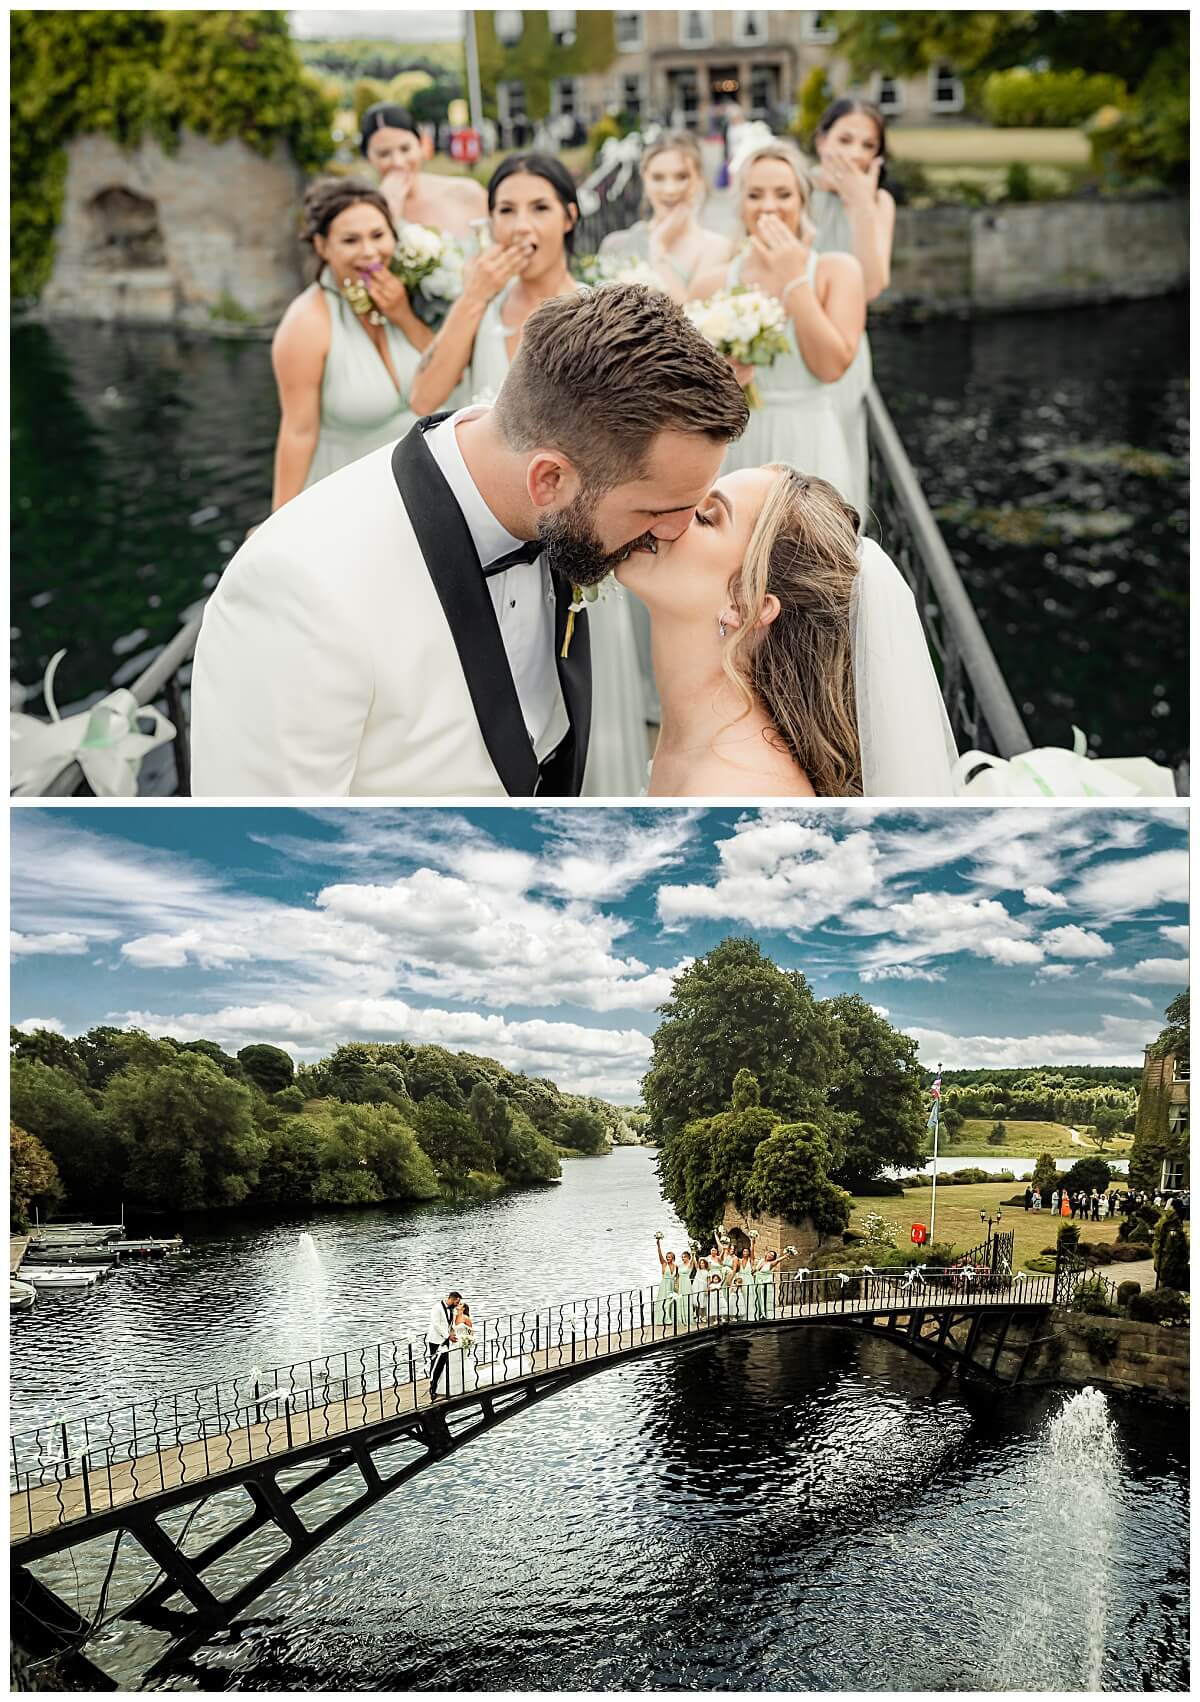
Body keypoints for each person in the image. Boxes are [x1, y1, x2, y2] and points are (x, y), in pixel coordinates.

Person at [190, 285, 748, 797]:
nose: (676, 532)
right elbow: (266, 861)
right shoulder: (297, 591)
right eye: (656, 510)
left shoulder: (550, 497)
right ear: (549, 480)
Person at [409, 153, 650, 797]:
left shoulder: (600, 311)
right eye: (506, 210)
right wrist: (472, 296)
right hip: (493, 535)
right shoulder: (482, 312)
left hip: (581, 526)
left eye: (539, 208)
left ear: (570, 217)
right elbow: (424, 394)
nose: (521, 224)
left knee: (586, 683)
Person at [616, 465, 959, 796]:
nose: (673, 512)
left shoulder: (738, 788)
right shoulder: (697, 736)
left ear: (747, 604)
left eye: (707, 517)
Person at [689, 138, 866, 518]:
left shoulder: (839, 271)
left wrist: (793, 279)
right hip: (738, 446)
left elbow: (831, 367)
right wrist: (725, 378)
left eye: (783, 194)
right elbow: (687, 390)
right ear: (741, 204)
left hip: (811, 440)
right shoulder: (709, 284)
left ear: (803, 201)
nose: (769, 206)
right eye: (755, 195)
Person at [268, 179, 434, 513]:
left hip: (418, 498)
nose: (369, 252)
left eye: (377, 235)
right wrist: (277, 522)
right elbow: (298, 433)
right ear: (322, 245)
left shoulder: (409, 291)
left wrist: (402, 314)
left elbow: (447, 369)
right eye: (350, 240)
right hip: (345, 502)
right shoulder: (306, 324)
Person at [810, 99, 897, 526]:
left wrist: (860, 205)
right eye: (844, 139)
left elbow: (873, 284)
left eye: (867, 144)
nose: (855, 152)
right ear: (821, 140)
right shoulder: (795, 189)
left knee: (834, 460)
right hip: (798, 338)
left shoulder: (878, 202)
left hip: (844, 346)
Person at [598, 131, 734, 303]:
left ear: (699, 179)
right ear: (645, 179)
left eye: (681, 177)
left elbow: (692, 319)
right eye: (658, 178)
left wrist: (658, 249)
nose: (670, 189)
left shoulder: (716, 247)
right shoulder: (616, 245)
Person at [359, 102, 487, 239]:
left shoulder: (466, 192)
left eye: (405, 149)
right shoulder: (362, 214)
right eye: (384, 154)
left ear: (421, 145)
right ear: (367, 158)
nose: (398, 162)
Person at [426, 1288, 461, 1399]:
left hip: (446, 1340)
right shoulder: (437, 1308)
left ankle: (441, 1386)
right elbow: (436, 1324)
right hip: (436, 1340)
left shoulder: (452, 1309)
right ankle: (432, 1387)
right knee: (435, 1364)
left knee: (443, 1363)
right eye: (457, 1302)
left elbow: (450, 1324)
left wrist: (454, 1334)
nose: (458, 1304)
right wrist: (447, 1336)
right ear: (451, 1299)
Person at [655, 1235, 680, 1326]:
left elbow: (677, 1277)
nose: (668, 1258)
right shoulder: (664, 1264)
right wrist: (658, 1245)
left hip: (671, 1285)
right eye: (667, 1257)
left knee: (670, 1302)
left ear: (673, 1257)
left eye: (669, 1257)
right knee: (663, 1301)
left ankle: (669, 1318)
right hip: (664, 1285)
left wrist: (677, 1287)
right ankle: (661, 1319)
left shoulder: (676, 1266)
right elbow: (660, 1254)